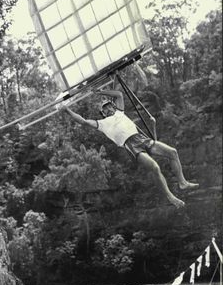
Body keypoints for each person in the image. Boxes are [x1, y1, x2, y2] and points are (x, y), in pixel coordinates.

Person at [62, 88, 198, 208]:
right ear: (102, 113)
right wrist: (67, 110)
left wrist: (98, 92)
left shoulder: (120, 112)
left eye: (109, 106)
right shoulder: (102, 123)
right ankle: (169, 196)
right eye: (105, 108)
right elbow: (83, 121)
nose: (108, 109)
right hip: (131, 145)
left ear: (113, 107)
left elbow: (119, 95)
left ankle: (182, 182)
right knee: (155, 167)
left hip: (141, 139)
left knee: (173, 152)